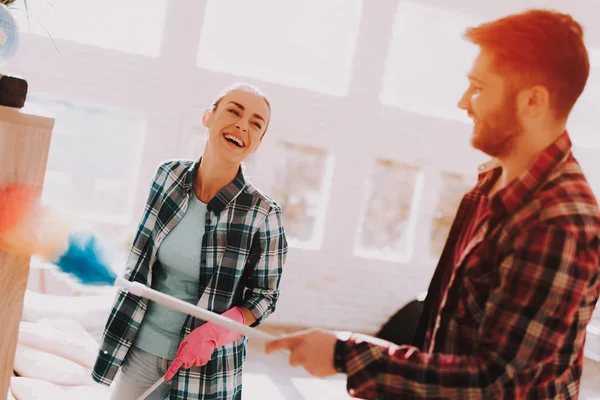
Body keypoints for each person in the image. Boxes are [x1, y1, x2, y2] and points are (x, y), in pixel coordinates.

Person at [266, 9, 600, 399]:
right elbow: (448, 338)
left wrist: (347, 356)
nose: (463, 102)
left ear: (532, 101)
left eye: (478, 87)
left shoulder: (561, 223)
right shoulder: (488, 186)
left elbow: (498, 384)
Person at [92, 83, 288, 400]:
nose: (242, 125)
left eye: (255, 123)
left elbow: (265, 297)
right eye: (234, 111)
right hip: (142, 349)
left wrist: (214, 332)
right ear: (208, 117)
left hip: (207, 370)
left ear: (257, 143)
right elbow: (140, 259)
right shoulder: (167, 177)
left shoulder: (263, 214)